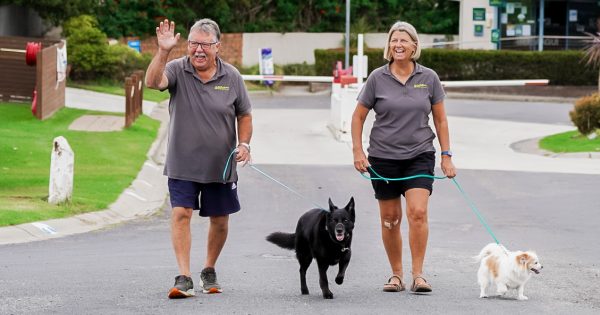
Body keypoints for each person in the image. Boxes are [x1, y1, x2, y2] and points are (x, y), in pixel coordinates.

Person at [145, 18, 253, 299]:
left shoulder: (232, 77)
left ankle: (209, 269)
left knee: (220, 219)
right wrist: (163, 51)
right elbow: (153, 82)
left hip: (222, 165)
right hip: (183, 162)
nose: (198, 50)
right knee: (181, 213)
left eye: (205, 44)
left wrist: (245, 144)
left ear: (218, 46)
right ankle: (184, 276)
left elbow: (244, 114)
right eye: (193, 43)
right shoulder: (177, 70)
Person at [351, 21, 456, 294]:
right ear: (389, 46)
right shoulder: (377, 78)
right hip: (383, 158)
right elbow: (359, 116)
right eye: (394, 40)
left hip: (419, 154)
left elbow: (441, 120)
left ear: (414, 46)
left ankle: (418, 274)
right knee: (390, 219)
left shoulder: (429, 78)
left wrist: (446, 155)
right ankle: (396, 274)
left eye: (404, 40)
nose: (398, 45)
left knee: (418, 213)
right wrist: (358, 151)